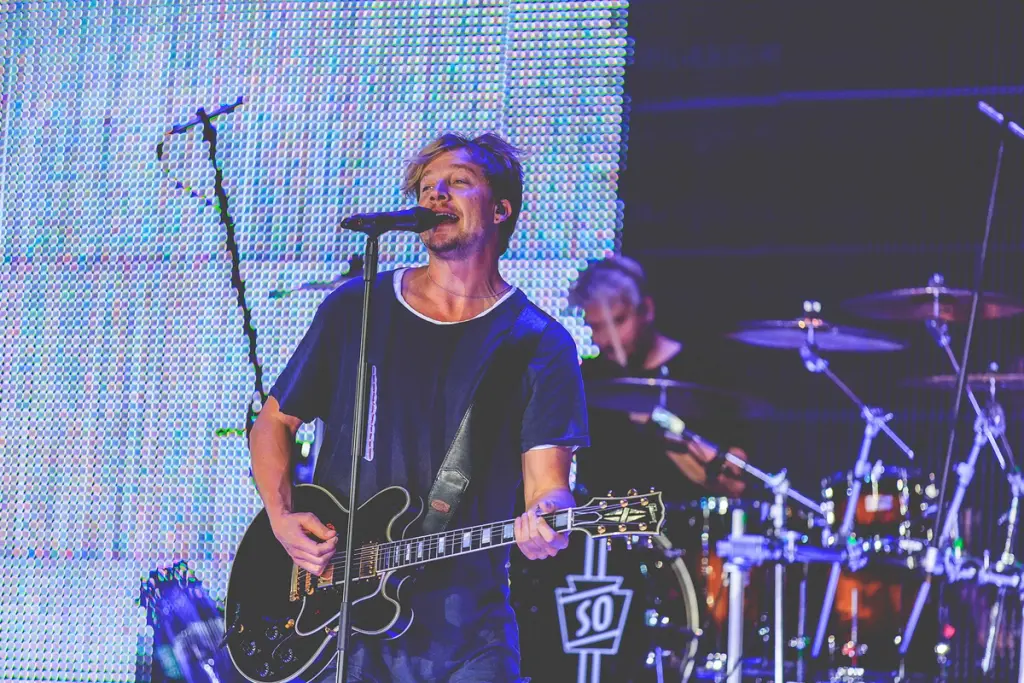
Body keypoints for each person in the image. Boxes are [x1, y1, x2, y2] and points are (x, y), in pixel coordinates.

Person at [248, 132, 589, 682]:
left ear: (501, 208)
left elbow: (547, 483)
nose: (436, 196)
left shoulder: (539, 343)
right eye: (428, 188)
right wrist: (281, 516)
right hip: (342, 618)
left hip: (467, 625)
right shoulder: (356, 308)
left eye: (458, 183)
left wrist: (549, 519)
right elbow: (274, 421)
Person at [567, 255, 747, 500]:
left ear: (647, 310)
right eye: (596, 327)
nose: (607, 339)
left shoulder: (702, 372)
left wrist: (657, 423)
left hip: (686, 530)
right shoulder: (588, 381)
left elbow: (734, 481)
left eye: (618, 321)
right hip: (603, 530)